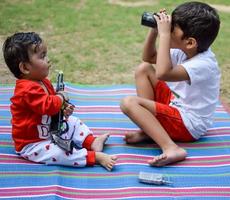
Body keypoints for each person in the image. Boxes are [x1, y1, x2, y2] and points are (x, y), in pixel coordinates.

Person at [120, 1, 221, 166]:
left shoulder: (203, 64)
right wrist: (155, 30)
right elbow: (149, 58)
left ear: (190, 42)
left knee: (128, 103)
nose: (168, 28)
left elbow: (162, 73)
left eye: (173, 27)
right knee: (144, 69)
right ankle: (150, 131)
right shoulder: (186, 49)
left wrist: (165, 35)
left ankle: (171, 147)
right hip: (176, 106)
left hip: (189, 123)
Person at [2, 32, 117, 171]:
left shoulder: (42, 82)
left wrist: (63, 109)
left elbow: (53, 106)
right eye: (42, 56)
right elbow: (49, 105)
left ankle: (91, 142)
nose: (48, 60)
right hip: (34, 143)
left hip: (51, 129)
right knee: (60, 153)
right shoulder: (26, 90)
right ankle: (93, 156)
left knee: (73, 122)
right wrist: (61, 97)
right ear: (25, 68)